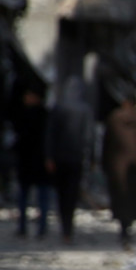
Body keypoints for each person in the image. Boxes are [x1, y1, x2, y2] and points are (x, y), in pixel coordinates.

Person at [101, 91, 136, 248]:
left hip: (118, 166)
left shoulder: (114, 119)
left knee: (121, 197)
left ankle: (124, 227)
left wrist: (105, 164)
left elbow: (107, 144)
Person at [46, 77, 95, 244]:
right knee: (72, 195)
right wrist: (92, 158)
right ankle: (69, 229)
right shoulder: (85, 110)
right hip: (76, 159)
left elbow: (50, 135)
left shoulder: (58, 108)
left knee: (61, 195)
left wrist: (49, 157)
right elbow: (90, 137)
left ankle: (64, 228)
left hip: (60, 159)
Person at [8, 85, 54, 238]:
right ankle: (27, 227)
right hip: (31, 162)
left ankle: (38, 228)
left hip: (36, 162)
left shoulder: (41, 116)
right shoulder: (28, 114)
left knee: (37, 197)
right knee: (27, 197)